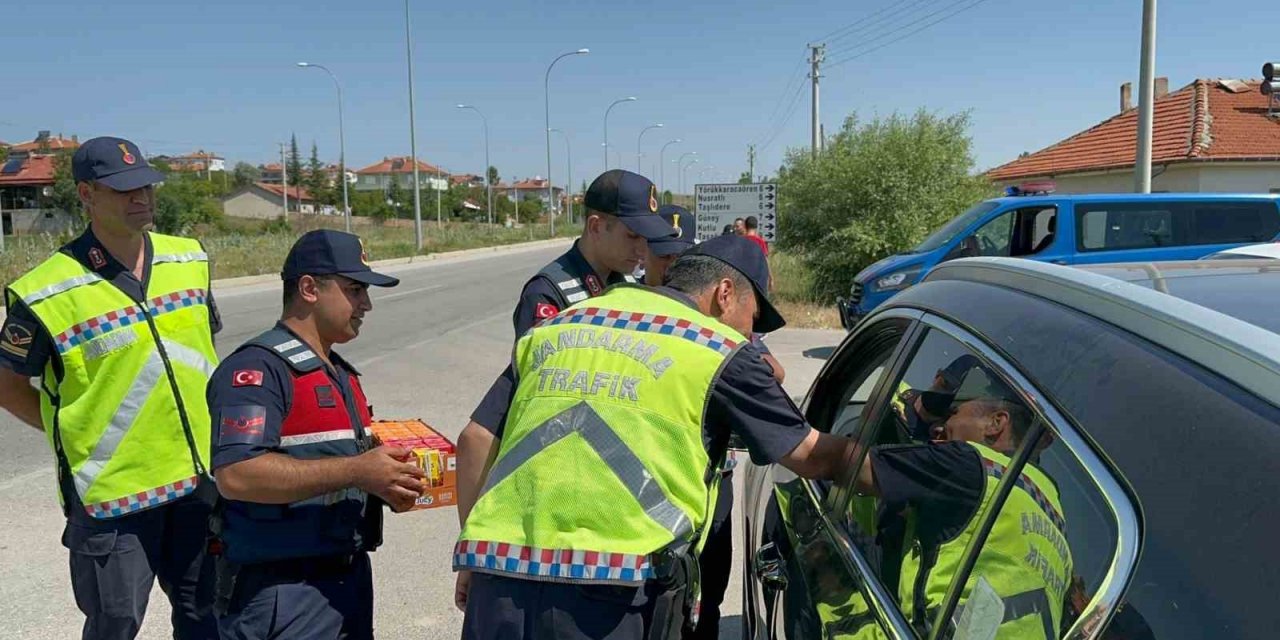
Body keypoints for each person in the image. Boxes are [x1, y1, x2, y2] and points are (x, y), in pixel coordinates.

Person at [453, 234, 858, 640]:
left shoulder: (558, 327)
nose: (750, 334)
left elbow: (474, 438)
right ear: (725, 294)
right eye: (753, 318)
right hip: (613, 598)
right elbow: (812, 455)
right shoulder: (717, 349)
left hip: (497, 577)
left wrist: (473, 558)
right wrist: (902, 464)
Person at [0, 136, 220, 639]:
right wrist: (68, 432)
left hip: (200, 486)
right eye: (123, 189)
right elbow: (8, 386)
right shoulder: (46, 290)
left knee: (208, 616)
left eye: (145, 185)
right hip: (114, 501)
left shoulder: (189, 261)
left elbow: (202, 357)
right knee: (115, 625)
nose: (140, 197)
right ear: (86, 195)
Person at [205, 230, 426, 639]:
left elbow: (333, 461)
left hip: (345, 577)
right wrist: (358, 472)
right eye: (354, 289)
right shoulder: (257, 370)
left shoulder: (337, 371)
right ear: (309, 288)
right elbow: (237, 474)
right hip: (282, 589)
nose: (367, 304)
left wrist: (386, 481)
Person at [644, 205, 782, 639]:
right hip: (651, 498)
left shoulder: (725, 335)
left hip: (709, 481)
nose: (670, 265)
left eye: (679, 256)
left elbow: (771, 370)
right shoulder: (632, 316)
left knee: (709, 585)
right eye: (662, 255)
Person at [857, 366, 1072, 639]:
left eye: (954, 413)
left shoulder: (967, 465)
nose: (939, 427)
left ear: (996, 423)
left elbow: (834, 461)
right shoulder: (1053, 509)